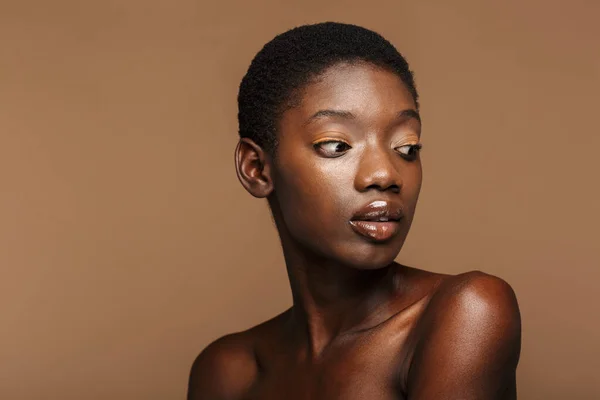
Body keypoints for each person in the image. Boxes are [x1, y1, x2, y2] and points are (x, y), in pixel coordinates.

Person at [187, 22, 521, 399]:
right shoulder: (229, 372)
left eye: (406, 147)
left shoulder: (466, 312)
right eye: (336, 145)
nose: (385, 173)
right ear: (257, 168)